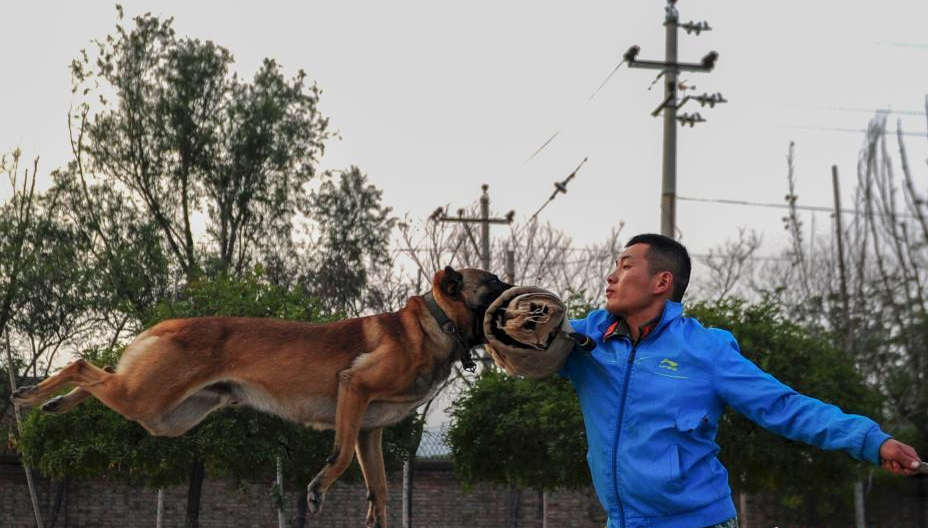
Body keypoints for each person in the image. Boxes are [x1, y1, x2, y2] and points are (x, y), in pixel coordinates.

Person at [560, 233, 922, 528]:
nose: (611, 276)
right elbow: (524, 329)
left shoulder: (705, 351)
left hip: (700, 522)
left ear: (662, 281)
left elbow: (783, 406)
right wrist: (502, 300)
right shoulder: (587, 339)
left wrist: (872, 440)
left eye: (625, 266)